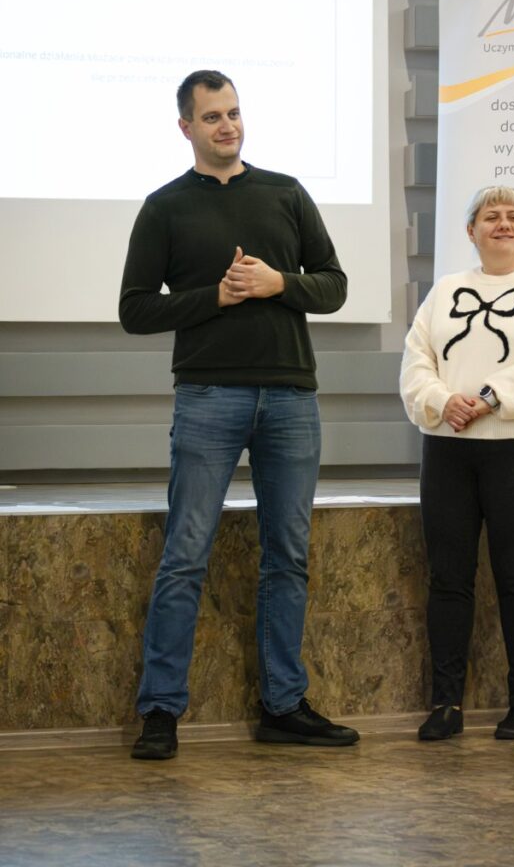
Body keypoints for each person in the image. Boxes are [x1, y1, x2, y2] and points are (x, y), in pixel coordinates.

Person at [120, 69, 359, 758]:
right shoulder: (164, 207)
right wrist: (215, 298)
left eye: (232, 112)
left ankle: (282, 706)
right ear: (186, 128)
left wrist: (279, 282)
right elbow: (135, 309)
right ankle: (160, 710)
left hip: (290, 396)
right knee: (184, 555)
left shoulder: (286, 193)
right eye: (211, 116)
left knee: (288, 556)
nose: (226, 125)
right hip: (208, 397)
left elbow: (334, 286)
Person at [400, 186, 514, 741]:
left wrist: (488, 396)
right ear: (471, 231)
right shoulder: (446, 289)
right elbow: (417, 358)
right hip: (448, 447)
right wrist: (441, 400)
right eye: (491, 217)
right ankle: (446, 704)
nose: (504, 224)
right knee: (448, 578)